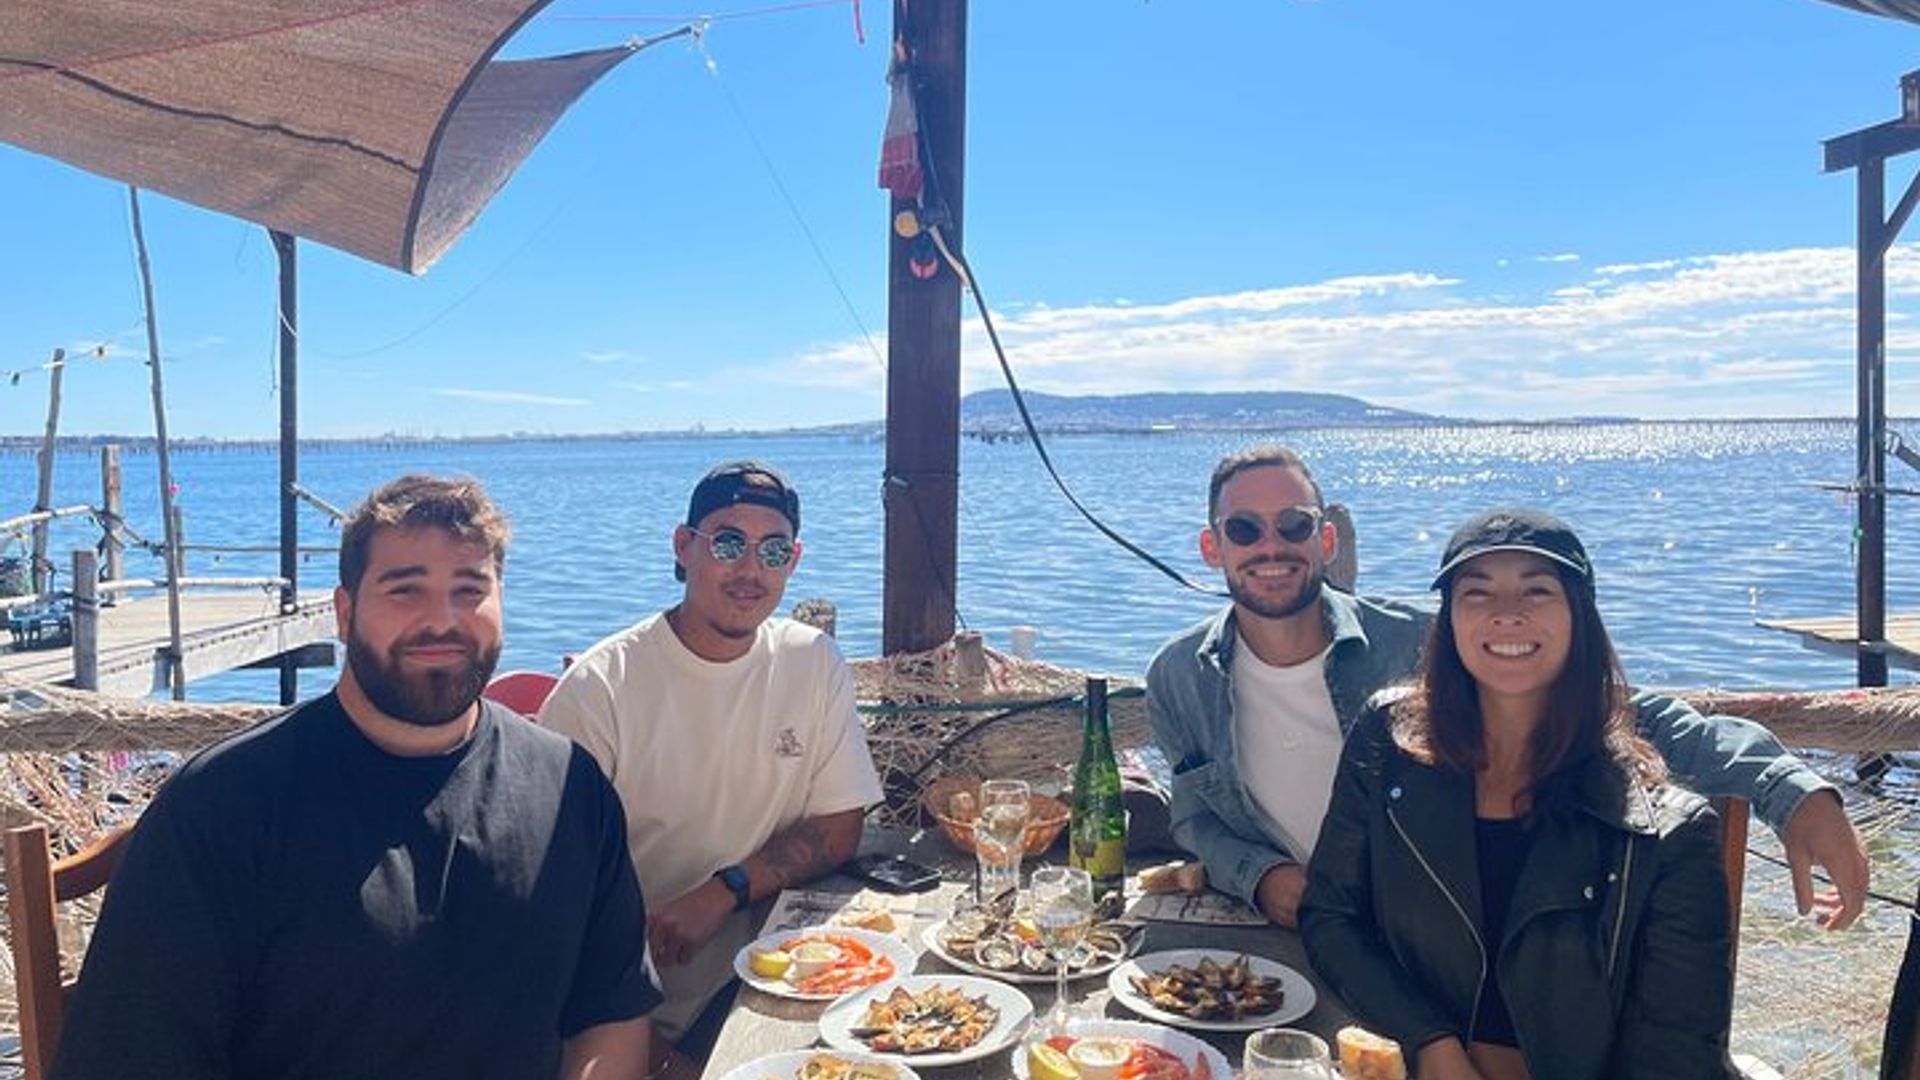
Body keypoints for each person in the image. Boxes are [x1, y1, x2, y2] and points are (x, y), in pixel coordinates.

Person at [54, 475, 658, 1080]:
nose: (441, 621)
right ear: (345, 612)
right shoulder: (222, 806)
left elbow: (612, 1009)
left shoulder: (571, 792)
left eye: (469, 589)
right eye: (406, 590)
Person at [1146, 445, 1870, 930]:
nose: (1269, 547)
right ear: (1214, 548)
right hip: (1301, 937)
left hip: (1434, 936)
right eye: (1244, 528)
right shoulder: (1178, 677)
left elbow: (1627, 712)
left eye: (1293, 524)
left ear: (1325, 540)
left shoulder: (1420, 644)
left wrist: (1791, 791)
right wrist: (1265, 878)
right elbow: (1196, 820)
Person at [1301, 508, 1739, 1078]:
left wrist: (1796, 793)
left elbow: (1675, 1056)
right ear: (1450, 619)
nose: (1507, 615)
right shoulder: (1387, 743)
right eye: (1477, 593)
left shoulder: (1668, 836)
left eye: (1537, 591)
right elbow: (1331, 917)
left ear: (1580, 616)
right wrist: (1430, 1042)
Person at [540, 460, 883, 1080]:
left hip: (780, 977)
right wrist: (668, 1065)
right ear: (683, 546)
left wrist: (725, 890)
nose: (751, 570)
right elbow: (552, 926)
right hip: (633, 1017)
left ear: (794, 559)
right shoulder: (598, 692)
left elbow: (838, 827)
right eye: (728, 541)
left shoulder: (811, 661)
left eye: (772, 550)